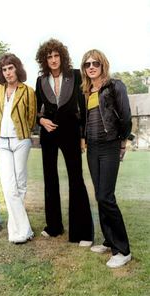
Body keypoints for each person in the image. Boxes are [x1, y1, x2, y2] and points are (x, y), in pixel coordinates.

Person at [35, 38, 94, 245]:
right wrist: (41, 120)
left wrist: (83, 136)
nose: (53, 59)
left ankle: (83, 233)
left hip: (70, 133)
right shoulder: (41, 80)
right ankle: (53, 227)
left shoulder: (76, 76)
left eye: (56, 55)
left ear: (62, 56)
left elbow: (84, 108)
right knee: (50, 180)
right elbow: (35, 110)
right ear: (44, 59)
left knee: (76, 179)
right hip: (48, 134)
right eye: (49, 56)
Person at [80, 49, 132, 268]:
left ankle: (123, 250)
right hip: (93, 148)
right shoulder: (86, 90)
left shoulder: (115, 86)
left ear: (103, 65)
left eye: (95, 63)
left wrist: (123, 140)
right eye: (87, 64)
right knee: (100, 196)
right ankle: (109, 241)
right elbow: (85, 119)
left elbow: (126, 116)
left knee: (106, 195)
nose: (91, 67)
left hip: (110, 145)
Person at [0, 53, 37, 244]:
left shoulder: (28, 91)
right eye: (4, 69)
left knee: (20, 184)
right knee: (9, 187)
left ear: (17, 68)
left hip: (21, 140)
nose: (8, 72)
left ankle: (15, 230)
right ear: (1, 72)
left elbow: (32, 117)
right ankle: (25, 229)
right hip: (3, 142)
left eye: (11, 68)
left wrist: (22, 132)